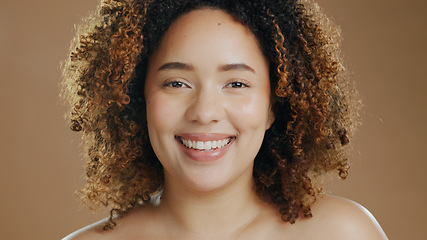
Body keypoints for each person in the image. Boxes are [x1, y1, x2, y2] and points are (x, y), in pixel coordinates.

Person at [61, 0, 387, 239]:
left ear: (275, 104)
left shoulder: (342, 234)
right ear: (135, 95)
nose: (204, 112)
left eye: (236, 84)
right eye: (177, 83)